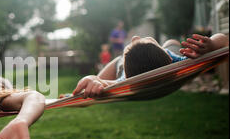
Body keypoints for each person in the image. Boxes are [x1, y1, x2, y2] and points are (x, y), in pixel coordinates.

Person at [72, 33, 229, 98]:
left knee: (171, 44)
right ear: (166, 54)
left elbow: (103, 84)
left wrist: (93, 80)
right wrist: (212, 45)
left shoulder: (123, 80)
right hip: (166, 54)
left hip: (120, 63)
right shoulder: (181, 64)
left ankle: (169, 44)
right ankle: (169, 44)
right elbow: (224, 40)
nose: (134, 37)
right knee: (173, 44)